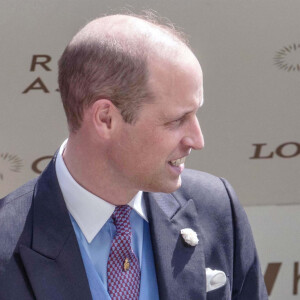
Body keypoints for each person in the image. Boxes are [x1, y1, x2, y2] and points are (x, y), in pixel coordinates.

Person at [0, 13, 268, 300]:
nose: (197, 140)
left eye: (195, 114)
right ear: (105, 119)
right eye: (176, 120)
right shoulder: (7, 240)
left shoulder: (217, 207)